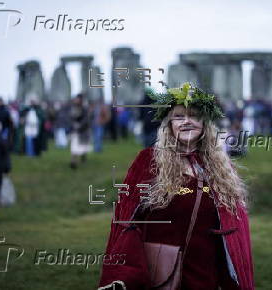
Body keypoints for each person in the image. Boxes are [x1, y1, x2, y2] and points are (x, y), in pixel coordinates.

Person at [98, 83, 255, 290]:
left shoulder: (221, 170)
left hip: (203, 277)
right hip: (157, 276)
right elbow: (127, 220)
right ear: (169, 123)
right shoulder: (148, 162)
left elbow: (233, 235)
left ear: (205, 123)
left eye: (194, 115)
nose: (187, 121)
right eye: (179, 116)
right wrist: (127, 273)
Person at [69, 94, 92, 169]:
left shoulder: (85, 109)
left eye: (78, 99)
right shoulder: (73, 108)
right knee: (74, 147)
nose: (76, 100)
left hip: (83, 131)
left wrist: (80, 125)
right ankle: (73, 162)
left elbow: (86, 119)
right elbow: (71, 117)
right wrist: (73, 124)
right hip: (75, 131)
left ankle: (83, 158)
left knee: (83, 147)